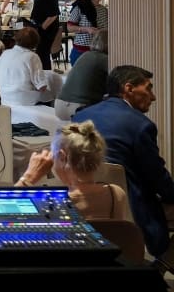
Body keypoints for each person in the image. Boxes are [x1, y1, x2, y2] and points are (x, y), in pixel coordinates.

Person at [73, 65, 174, 264]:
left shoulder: (80, 116)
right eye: (148, 89)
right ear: (128, 88)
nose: (152, 97)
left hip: (88, 203)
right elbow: (156, 177)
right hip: (133, 208)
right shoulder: (141, 126)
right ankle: (161, 266)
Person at [16, 122, 128, 218]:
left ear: (61, 156)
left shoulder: (50, 202)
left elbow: (0, 216)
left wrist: (29, 177)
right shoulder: (116, 194)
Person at [0, 25, 61, 107]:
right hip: (26, 101)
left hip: (6, 100)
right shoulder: (32, 57)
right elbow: (41, 86)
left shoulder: (6, 53)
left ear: (16, 39)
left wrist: (6, 74)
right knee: (54, 93)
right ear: (35, 43)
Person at [56, 29, 109, 120]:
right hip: (79, 107)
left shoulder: (85, 55)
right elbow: (118, 79)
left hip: (60, 105)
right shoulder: (104, 59)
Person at [29, 0, 62, 71]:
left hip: (46, 31)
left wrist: (42, 27)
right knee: (43, 55)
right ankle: (44, 77)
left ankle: (45, 78)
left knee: (43, 55)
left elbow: (53, 14)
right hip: (46, 30)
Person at [68, 0, 108, 65]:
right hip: (81, 51)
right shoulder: (80, 6)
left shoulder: (104, 10)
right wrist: (86, 29)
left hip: (99, 51)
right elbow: (69, 27)